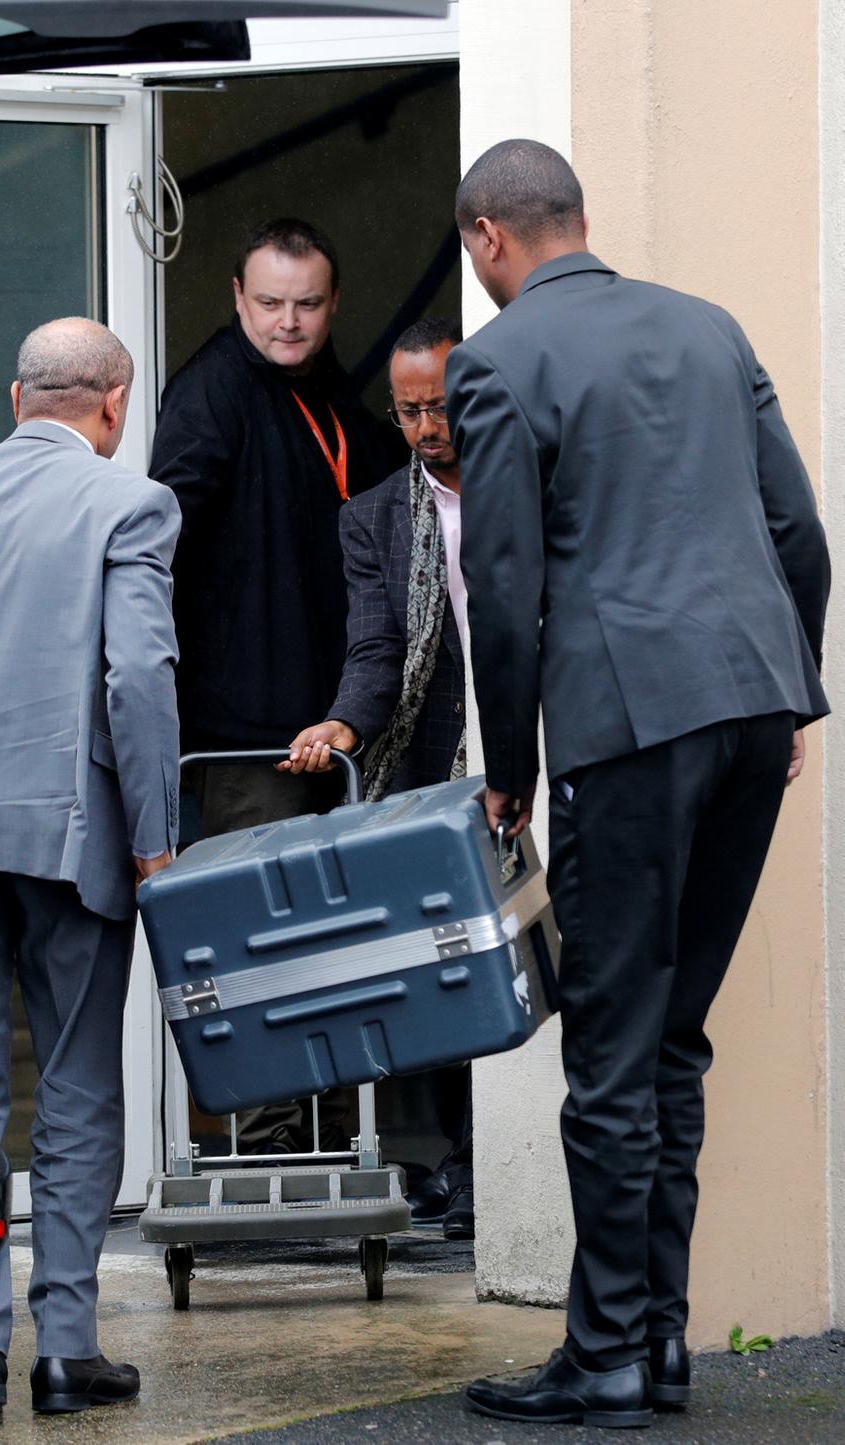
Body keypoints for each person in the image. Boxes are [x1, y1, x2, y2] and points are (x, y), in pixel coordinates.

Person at [448, 139, 830, 1430]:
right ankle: (657, 1338)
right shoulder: (708, 327)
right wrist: (789, 688)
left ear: (487, 237)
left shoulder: (497, 360)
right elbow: (798, 531)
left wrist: (508, 770)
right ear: (579, 217)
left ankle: (606, 1353)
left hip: (625, 725)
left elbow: (501, 588)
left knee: (611, 1043)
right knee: (673, 1035)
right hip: (750, 702)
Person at [0, 318, 181, 1422]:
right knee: (76, 1085)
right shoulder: (128, 501)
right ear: (115, 404)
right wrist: (154, 837)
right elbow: (138, 677)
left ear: (13, 399)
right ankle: (65, 1347)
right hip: (72, 834)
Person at [151, 217, 385, 1156]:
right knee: (263, 941)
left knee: (335, 941)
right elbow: (160, 544)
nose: (288, 321)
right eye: (271, 303)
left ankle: (332, 1141)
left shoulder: (326, 388)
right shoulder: (211, 390)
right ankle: (271, 1151)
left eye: (308, 304)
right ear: (237, 299)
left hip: (333, 722)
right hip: (248, 735)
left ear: (332, 304)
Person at [280, 317, 474, 1237]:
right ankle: (455, 1163)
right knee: (445, 970)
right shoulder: (371, 517)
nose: (425, 427)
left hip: (536, 744)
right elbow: (375, 649)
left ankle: (487, 1165)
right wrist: (342, 722)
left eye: (440, 406)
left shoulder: (536, 486)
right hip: (432, 764)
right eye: (407, 411)